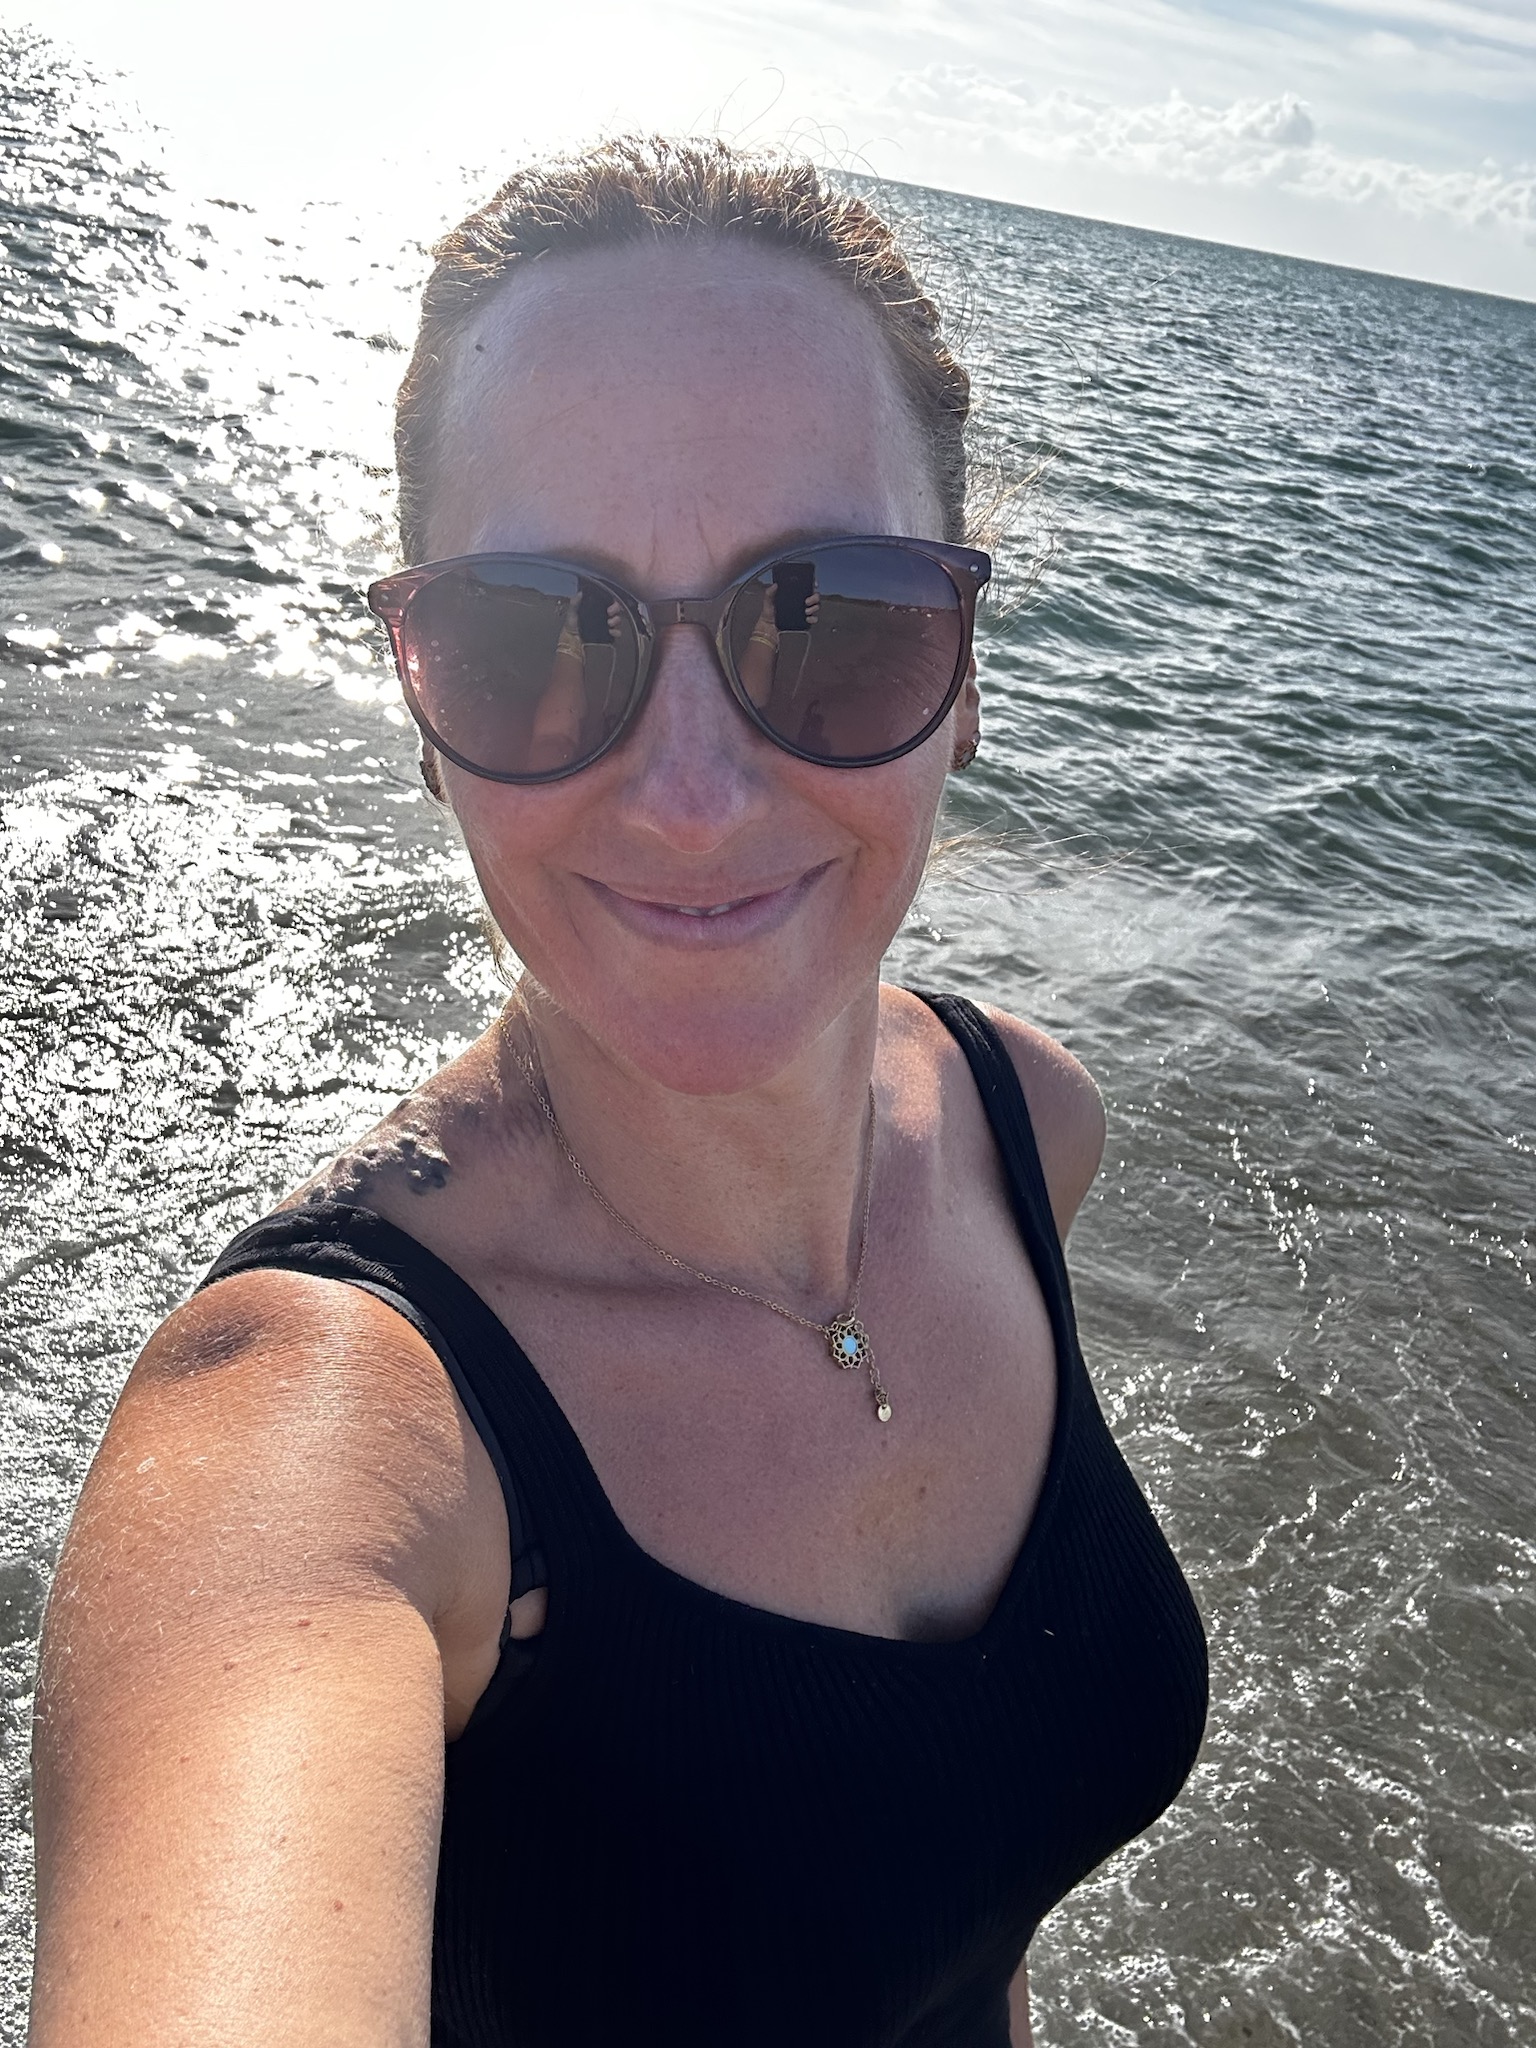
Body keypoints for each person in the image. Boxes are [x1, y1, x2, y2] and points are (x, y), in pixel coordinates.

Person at [28, 139, 1207, 2048]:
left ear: (968, 669)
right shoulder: (320, 1442)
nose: (692, 795)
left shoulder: (1024, 1131)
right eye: (526, 638)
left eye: (835, 621)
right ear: (422, 709)